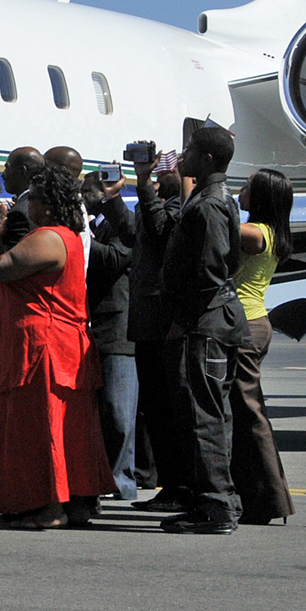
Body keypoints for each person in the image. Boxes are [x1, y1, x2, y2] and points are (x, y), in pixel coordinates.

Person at [0, 165, 114, 529]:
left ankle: (50, 508)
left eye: (33, 198)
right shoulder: (64, 236)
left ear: (49, 205)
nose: (27, 204)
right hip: (59, 343)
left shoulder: (50, 236)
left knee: (42, 426)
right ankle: (75, 503)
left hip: (43, 345)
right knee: (68, 429)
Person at [158, 126, 248, 535]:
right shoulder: (217, 200)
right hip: (213, 319)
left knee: (205, 415)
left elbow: (213, 269)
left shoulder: (209, 205)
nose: (183, 155)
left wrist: (185, 313)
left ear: (208, 159)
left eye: (191, 150)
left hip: (207, 323)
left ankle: (217, 506)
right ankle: (214, 500)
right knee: (212, 413)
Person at [232, 167, 296, 525]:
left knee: (249, 412)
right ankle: (262, 496)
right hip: (253, 322)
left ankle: (268, 499)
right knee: (246, 411)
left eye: (247, 187)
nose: (239, 191)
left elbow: (215, 224)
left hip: (245, 325)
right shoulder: (272, 232)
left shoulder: (256, 233)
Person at [128, 153, 187, 513]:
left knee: (169, 409)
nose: (159, 175)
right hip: (147, 322)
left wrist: (144, 188)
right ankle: (171, 484)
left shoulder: (181, 208)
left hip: (162, 322)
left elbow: (162, 230)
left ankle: (181, 485)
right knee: (155, 411)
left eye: (167, 170)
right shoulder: (156, 206)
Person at [82, 171, 139, 501]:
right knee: (99, 412)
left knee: (119, 412)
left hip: (117, 328)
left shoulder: (120, 222)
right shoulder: (90, 221)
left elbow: (118, 257)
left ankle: (121, 481)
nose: (85, 194)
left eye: (90, 189)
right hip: (89, 327)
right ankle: (103, 477)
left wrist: (82, 239)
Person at [0, 147, 46, 251]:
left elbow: (8, 262)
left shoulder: (20, 212)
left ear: (22, 171)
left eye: (7, 168)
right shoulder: (42, 204)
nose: (3, 174)